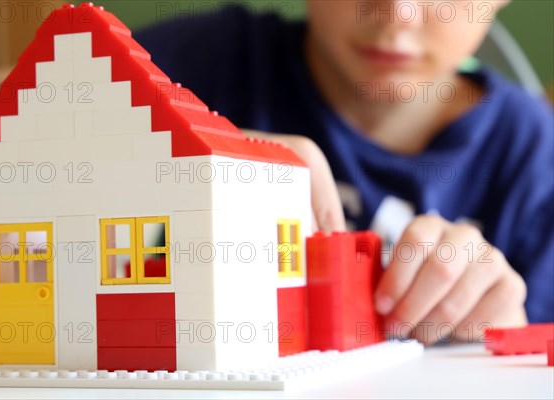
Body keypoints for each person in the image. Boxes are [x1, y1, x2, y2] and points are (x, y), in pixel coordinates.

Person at [135, 0, 553, 343]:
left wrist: (505, 339)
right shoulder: (201, 61)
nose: (398, 13)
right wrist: (190, 150)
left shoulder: (536, 154)